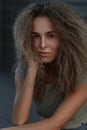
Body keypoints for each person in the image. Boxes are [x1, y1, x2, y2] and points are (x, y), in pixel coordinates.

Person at [1, 1, 87, 130]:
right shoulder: (23, 70)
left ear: (66, 37)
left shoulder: (81, 70)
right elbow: (19, 121)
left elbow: (56, 123)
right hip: (45, 125)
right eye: (35, 36)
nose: (42, 45)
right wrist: (32, 69)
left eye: (50, 36)